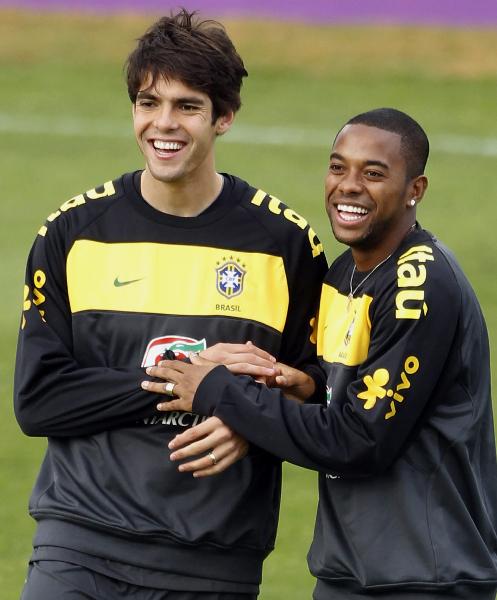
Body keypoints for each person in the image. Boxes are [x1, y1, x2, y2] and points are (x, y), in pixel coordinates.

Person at [14, 9, 327, 599]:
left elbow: (319, 390)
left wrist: (250, 420)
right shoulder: (72, 234)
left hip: (213, 561)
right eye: (148, 103)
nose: (164, 124)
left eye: (187, 106)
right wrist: (193, 385)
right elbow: (39, 400)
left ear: (224, 117)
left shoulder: (286, 245)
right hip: (79, 546)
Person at [143, 108, 497, 599]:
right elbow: (343, 403)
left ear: (415, 189)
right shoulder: (341, 275)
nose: (349, 186)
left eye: (373, 173)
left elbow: (359, 440)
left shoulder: (419, 285)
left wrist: (219, 391)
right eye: (338, 167)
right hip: (349, 570)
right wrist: (303, 388)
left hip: (426, 575)